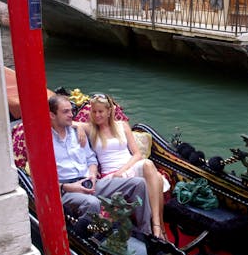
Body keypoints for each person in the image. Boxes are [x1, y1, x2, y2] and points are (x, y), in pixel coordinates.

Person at [49, 94, 153, 237]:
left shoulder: (77, 133)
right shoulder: (45, 141)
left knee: (139, 184)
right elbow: (44, 181)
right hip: (67, 190)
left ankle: (146, 234)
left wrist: (92, 175)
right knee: (92, 203)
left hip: (90, 183)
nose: (71, 115)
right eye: (65, 112)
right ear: (52, 115)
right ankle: (89, 242)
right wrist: (68, 187)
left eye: (71, 110)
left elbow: (91, 159)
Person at [75, 93, 169, 241]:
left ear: (109, 111)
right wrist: (79, 128)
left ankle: (158, 226)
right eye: (94, 111)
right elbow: (69, 122)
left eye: (100, 111)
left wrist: (122, 170)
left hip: (128, 167)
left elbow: (137, 154)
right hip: (112, 177)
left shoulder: (122, 126)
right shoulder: (91, 129)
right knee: (156, 177)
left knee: (149, 165)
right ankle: (160, 232)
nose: (97, 115)